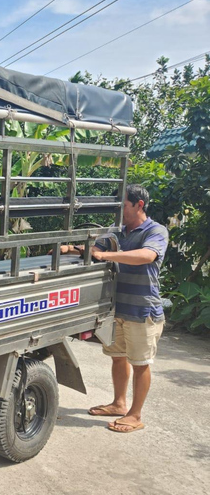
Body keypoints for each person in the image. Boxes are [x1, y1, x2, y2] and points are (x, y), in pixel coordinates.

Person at [60, 184, 168, 433]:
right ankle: (119, 403)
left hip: (142, 310)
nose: (120, 211)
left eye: (125, 206)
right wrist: (74, 249)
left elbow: (146, 256)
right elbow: (97, 249)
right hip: (117, 308)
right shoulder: (116, 233)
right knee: (118, 358)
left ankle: (135, 414)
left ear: (139, 205)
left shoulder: (156, 231)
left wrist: (108, 256)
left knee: (140, 363)